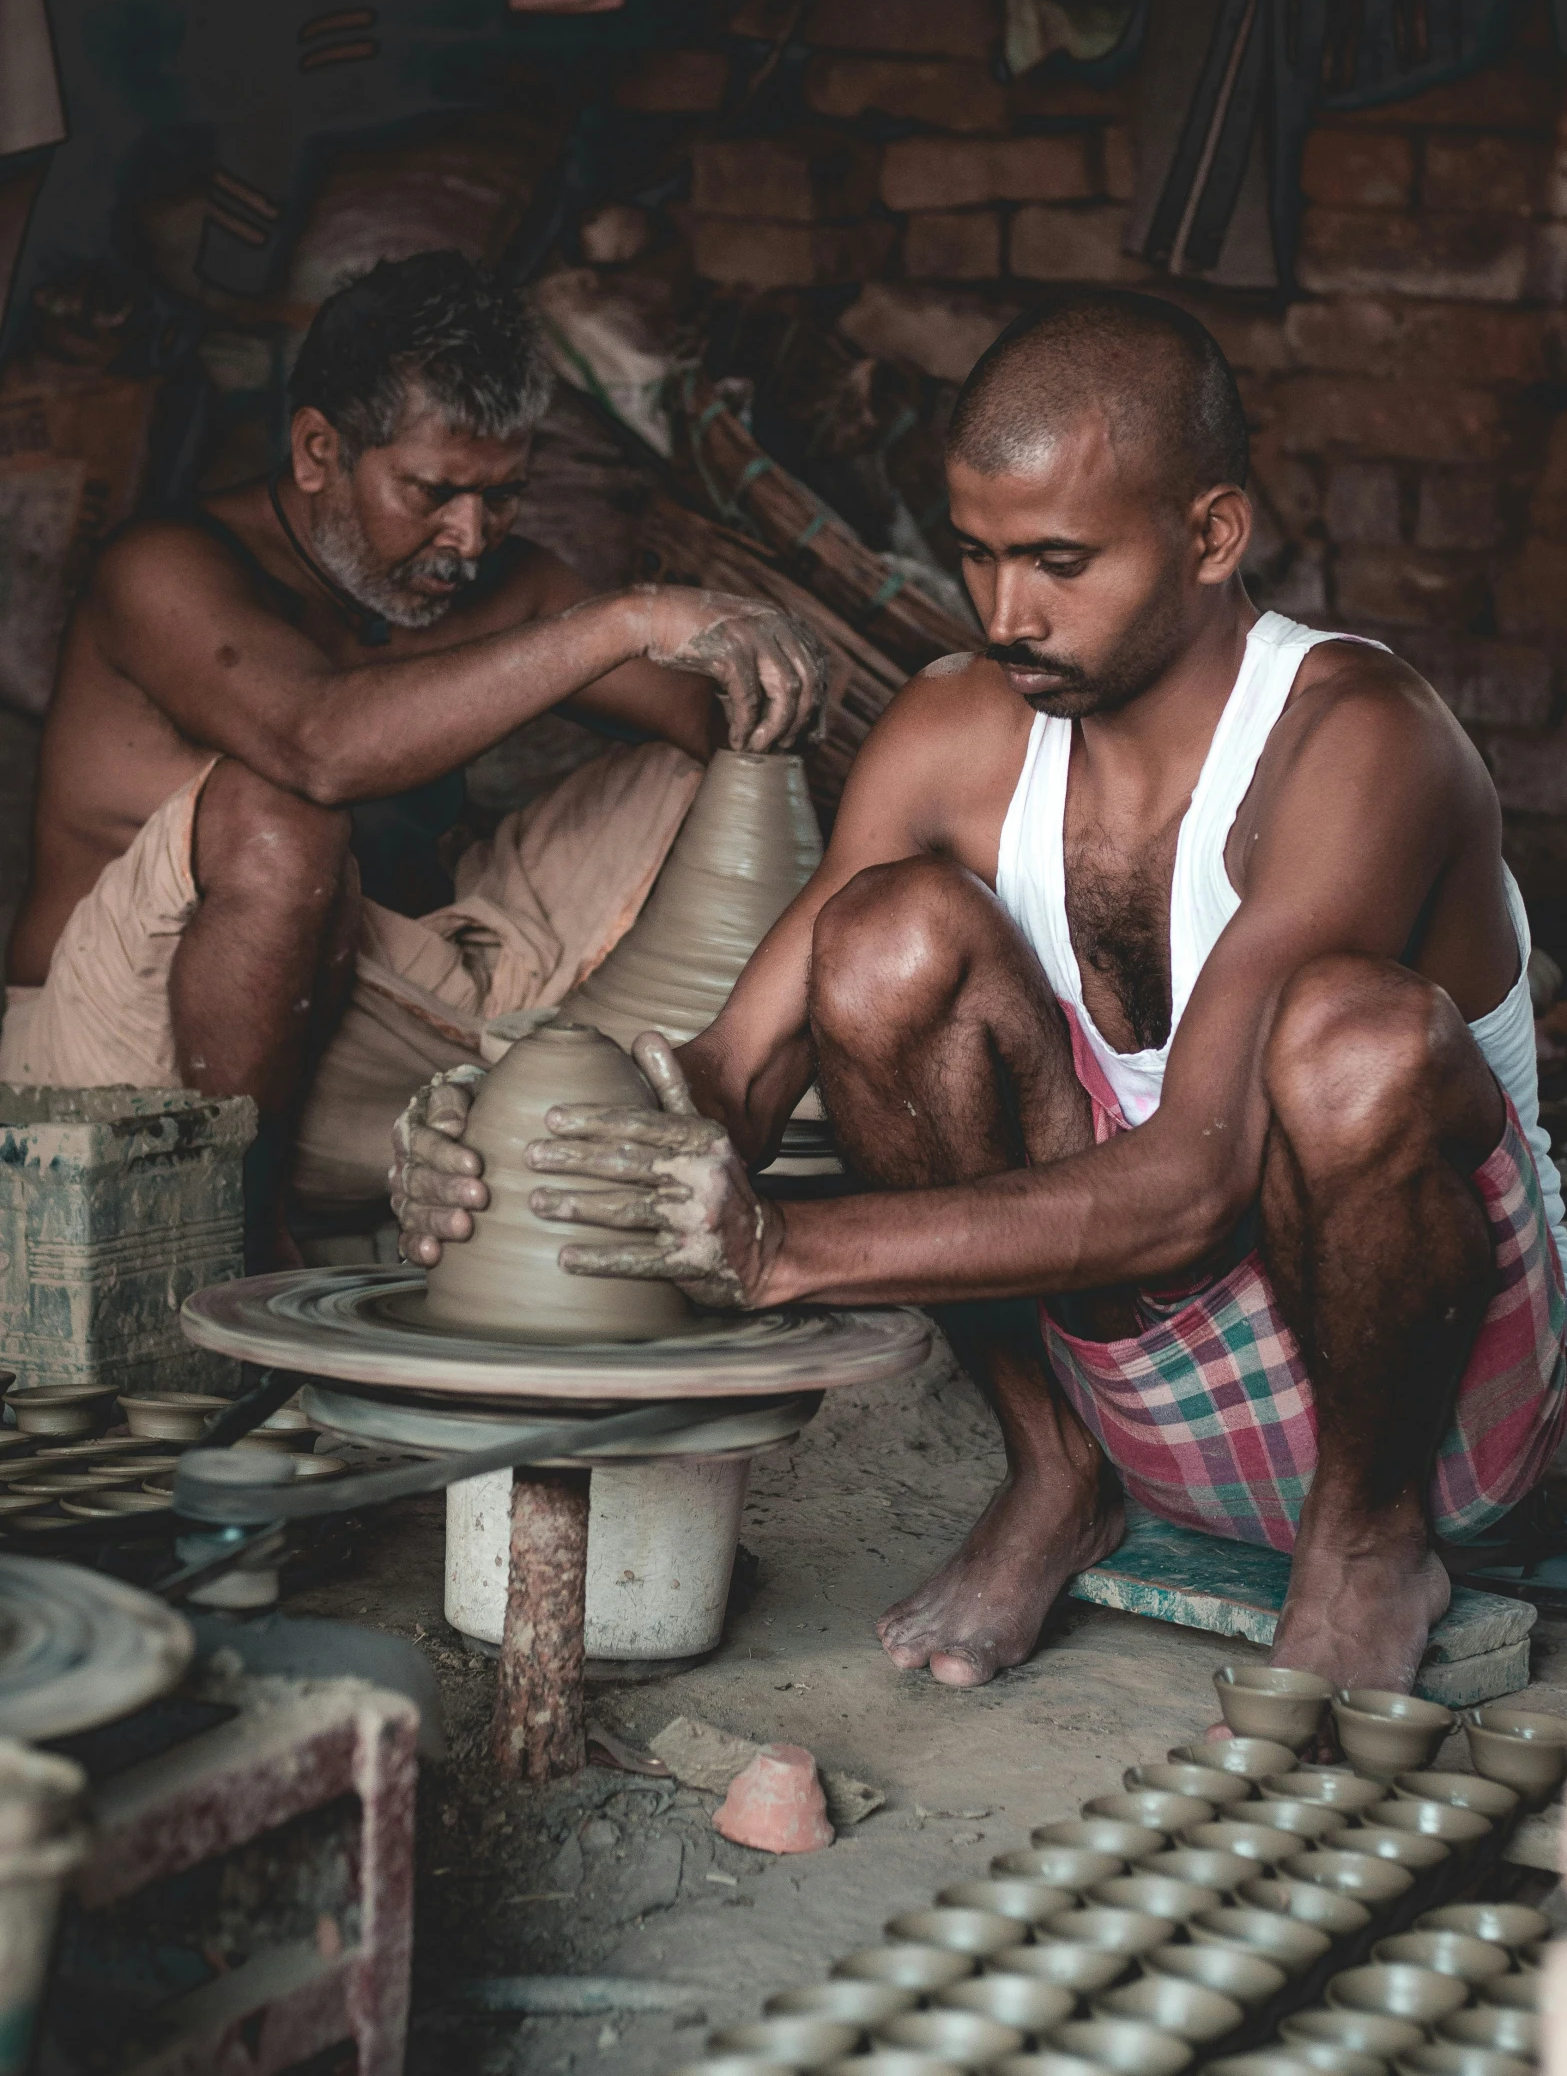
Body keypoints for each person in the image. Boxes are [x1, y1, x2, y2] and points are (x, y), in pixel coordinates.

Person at [391, 286, 1567, 1696]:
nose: (1006, 612)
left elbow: (1195, 1180)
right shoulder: (955, 731)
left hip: (1433, 1412)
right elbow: (725, 1076)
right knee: (882, 937)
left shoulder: (1359, 740)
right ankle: (1055, 1474)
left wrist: (785, 1250)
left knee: (1346, 1042)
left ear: (1209, 534)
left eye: (1059, 561)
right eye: (976, 555)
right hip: (1149, 1392)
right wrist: (515, 1142)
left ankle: (1366, 1544)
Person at [2, 252, 825, 1257]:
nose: (469, 537)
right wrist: (627, 617)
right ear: (317, 451)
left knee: (732, 756)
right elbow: (320, 746)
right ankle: (236, 1248)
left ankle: (598, 1124)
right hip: (130, 1062)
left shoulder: (508, 584)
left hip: (402, 1042)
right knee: (279, 812)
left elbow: (725, 728)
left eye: (505, 495)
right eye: (432, 491)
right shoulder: (165, 567)